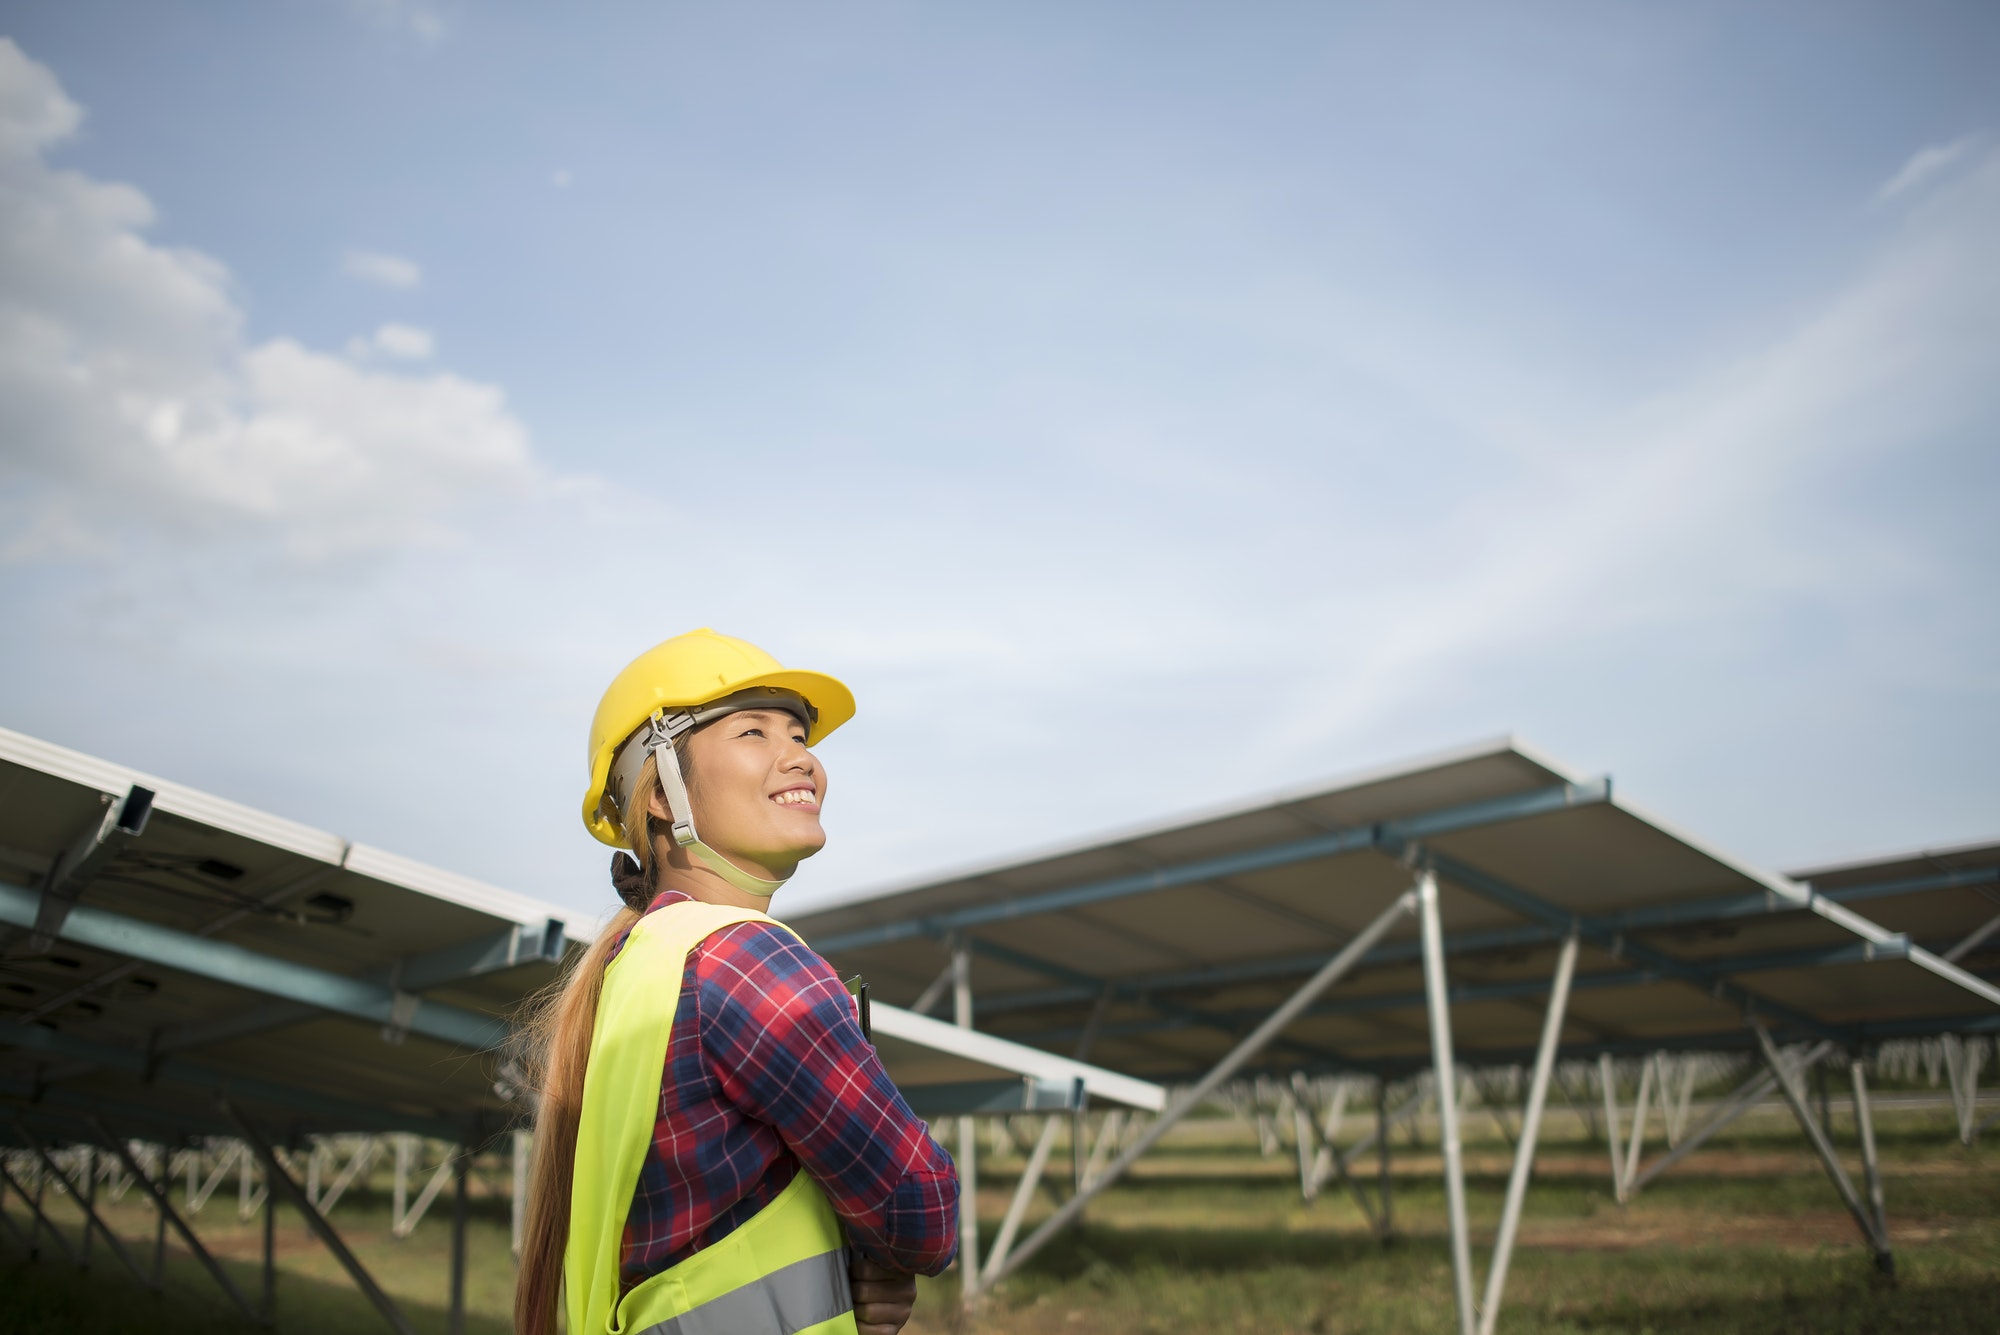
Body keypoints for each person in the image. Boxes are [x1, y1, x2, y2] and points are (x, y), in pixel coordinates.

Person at [514, 629, 959, 1335]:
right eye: (754, 730)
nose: (801, 758)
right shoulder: (745, 961)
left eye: (800, 733)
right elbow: (922, 1209)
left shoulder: (637, 959)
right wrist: (876, 1255)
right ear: (662, 791)